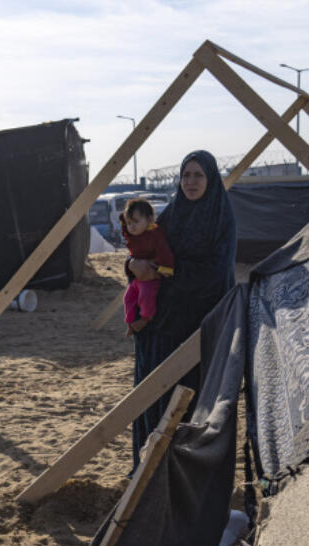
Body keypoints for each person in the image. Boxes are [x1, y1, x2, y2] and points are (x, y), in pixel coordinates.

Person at [126, 150, 236, 465]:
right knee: (153, 405)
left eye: (198, 175)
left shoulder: (220, 220)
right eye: (186, 175)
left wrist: (163, 272)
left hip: (195, 330)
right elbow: (143, 251)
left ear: (211, 179)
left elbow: (214, 275)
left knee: (187, 410)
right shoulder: (171, 216)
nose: (191, 181)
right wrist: (132, 264)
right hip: (158, 331)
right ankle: (146, 476)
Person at [119, 198, 175, 336]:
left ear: (149, 220)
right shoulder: (133, 235)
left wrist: (165, 269)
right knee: (128, 297)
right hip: (138, 277)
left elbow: (164, 252)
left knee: (146, 296)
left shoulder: (155, 235)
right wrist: (132, 264)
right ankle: (130, 322)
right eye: (129, 223)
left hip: (151, 277)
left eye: (136, 222)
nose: (131, 226)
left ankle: (145, 318)